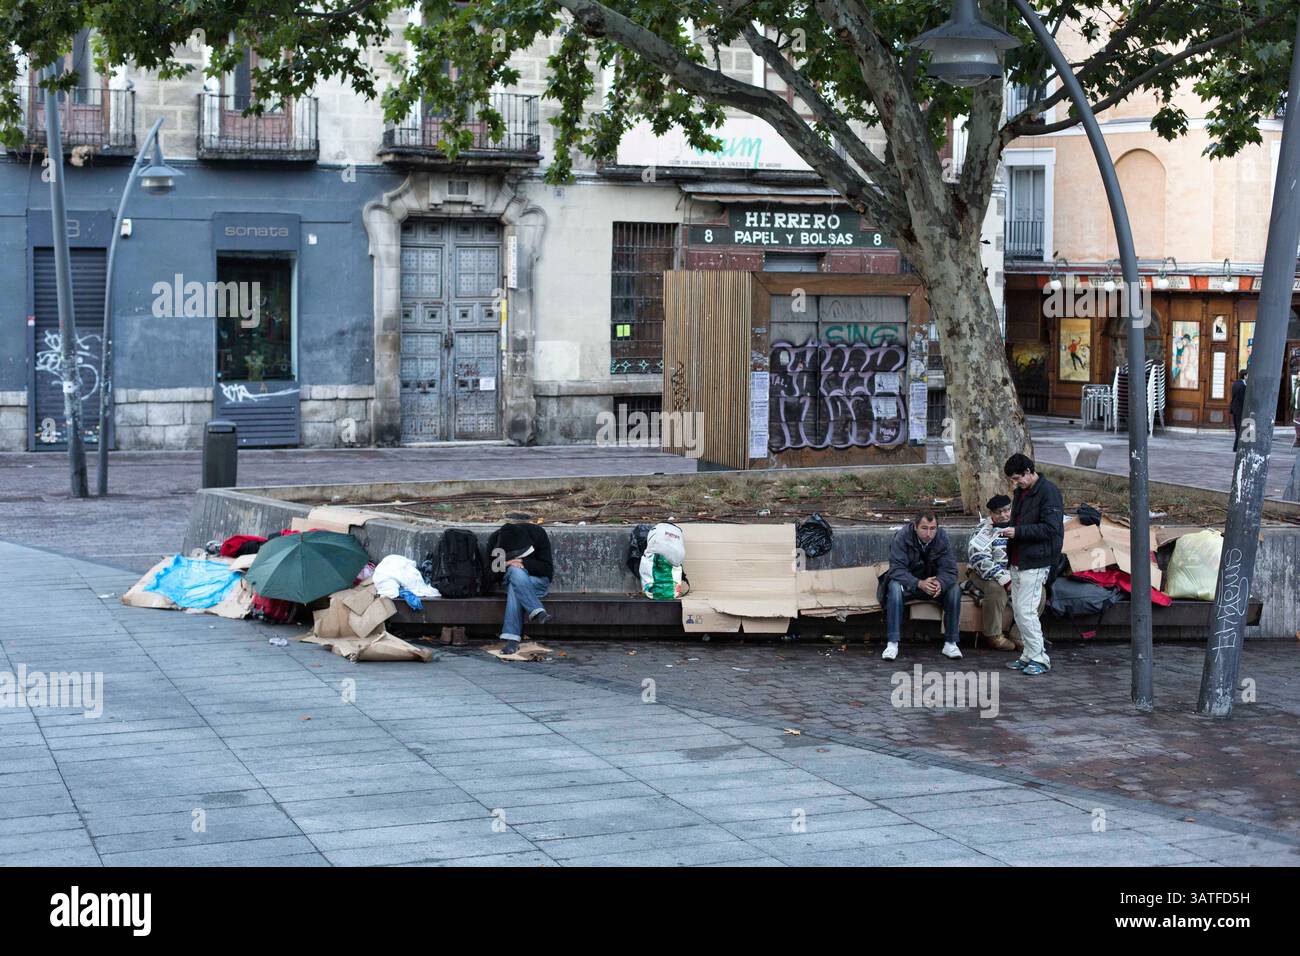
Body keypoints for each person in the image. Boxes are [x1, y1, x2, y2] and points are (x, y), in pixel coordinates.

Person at [1000, 453, 1064, 676]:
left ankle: (1040, 657)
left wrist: (1017, 531)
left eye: (1017, 478)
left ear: (1029, 471)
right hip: (1019, 558)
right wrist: (1002, 528)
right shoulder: (1021, 492)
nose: (1015, 483)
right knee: (1019, 610)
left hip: (1037, 560)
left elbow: (1050, 528)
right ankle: (1028, 654)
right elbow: (1019, 522)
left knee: (1026, 610)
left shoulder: (1049, 492)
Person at [877, 511, 961, 661]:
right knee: (894, 588)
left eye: (932, 528)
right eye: (924, 528)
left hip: (933, 585)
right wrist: (918, 583)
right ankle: (892, 643)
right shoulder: (902, 537)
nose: (929, 533)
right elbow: (896, 569)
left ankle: (951, 643)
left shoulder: (942, 537)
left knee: (954, 589)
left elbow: (950, 570)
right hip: (910, 584)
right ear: (915, 527)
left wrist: (940, 582)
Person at [485, 522, 553, 656]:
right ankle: (537, 611)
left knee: (515, 585)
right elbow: (489, 576)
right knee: (515, 575)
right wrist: (506, 564)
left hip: (537, 583)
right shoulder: (496, 540)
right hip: (513, 579)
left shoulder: (537, 534)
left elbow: (547, 570)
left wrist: (523, 563)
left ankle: (511, 640)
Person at [966, 494, 1020, 652]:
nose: (1003, 515)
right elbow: (979, 559)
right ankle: (993, 635)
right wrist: (1005, 579)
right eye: (998, 512)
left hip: (1015, 573)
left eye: (1007, 510)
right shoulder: (985, 530)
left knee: (1040, 590)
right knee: (996, 589)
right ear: (991, 514)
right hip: (984, 574)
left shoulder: (1020, 525)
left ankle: (1019, 634)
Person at [1230, 368, 1248, 451]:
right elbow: (1243, 399)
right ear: (1245, 376)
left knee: (1238, 428)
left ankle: (1236, 447)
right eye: (1247, 375)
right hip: (1239, 410)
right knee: (1240, 429)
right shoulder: (1243, 386)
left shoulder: (1235, 383)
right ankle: (1236, 447)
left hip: (1234, 409)